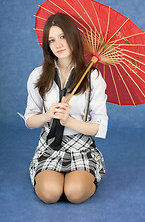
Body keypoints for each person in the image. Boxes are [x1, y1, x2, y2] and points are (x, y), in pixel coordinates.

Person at [24, 13, 108, 204]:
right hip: (49, 145)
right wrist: (47, 115)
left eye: (62, 36)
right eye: (51, 40)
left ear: (73, 37)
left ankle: (90, 172)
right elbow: (30, 120)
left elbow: (99, 126)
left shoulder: (92, 76)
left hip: (81, 146)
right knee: (50, 194)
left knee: (75, 193)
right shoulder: (38, 75)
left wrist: (69, 121)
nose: (58, 44)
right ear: (47, 45)